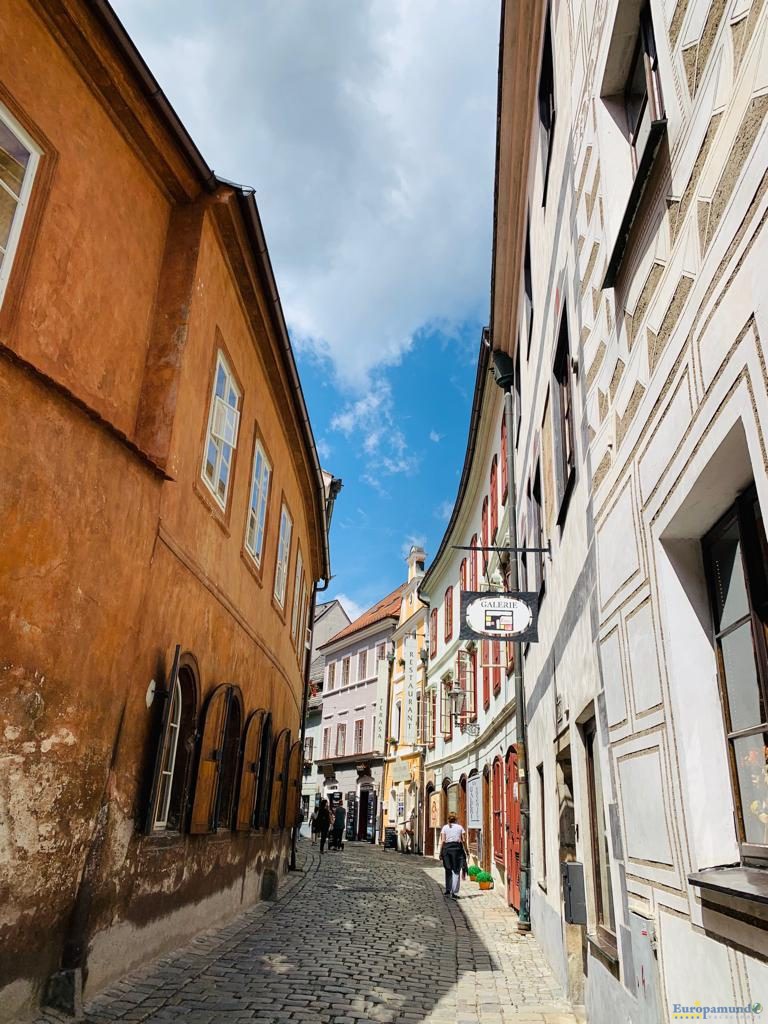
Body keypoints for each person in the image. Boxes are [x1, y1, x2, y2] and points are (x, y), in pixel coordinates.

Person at [437, 811, 468, 899]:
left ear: (448, 819)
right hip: (457, 849)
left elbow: (443, 841)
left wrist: (440, 852)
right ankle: (454, 892)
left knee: (448, 870)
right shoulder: (460, 827)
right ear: (456, 819)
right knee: (456, 870)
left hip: (447, 849)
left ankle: (448, 890)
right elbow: (464, 840)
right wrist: (466, 850)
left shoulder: (445, 828)